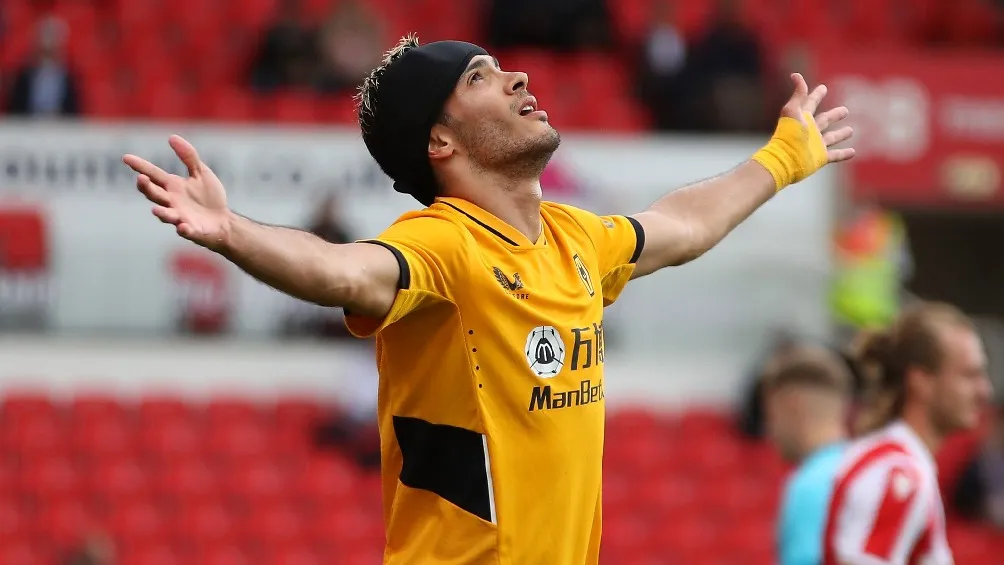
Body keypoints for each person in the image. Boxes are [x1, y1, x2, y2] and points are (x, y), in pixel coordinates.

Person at [122, 34, 854, 565]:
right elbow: (340, 272)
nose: (517, 77)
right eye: (481, 77)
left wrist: (785, 155)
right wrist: (231, 231)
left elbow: (684, 224)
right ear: (440, 141)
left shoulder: (574, 238)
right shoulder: (445, 246)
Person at [822, 301, 993, 565]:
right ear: (921, 381)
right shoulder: (899, 473)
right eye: (969, 376)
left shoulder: (898, 464)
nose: (985, 391)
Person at [763, 345, 853, 565]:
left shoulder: (810, 484)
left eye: (771, 416)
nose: (770, 431)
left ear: (791, 406)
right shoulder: (869, 469)